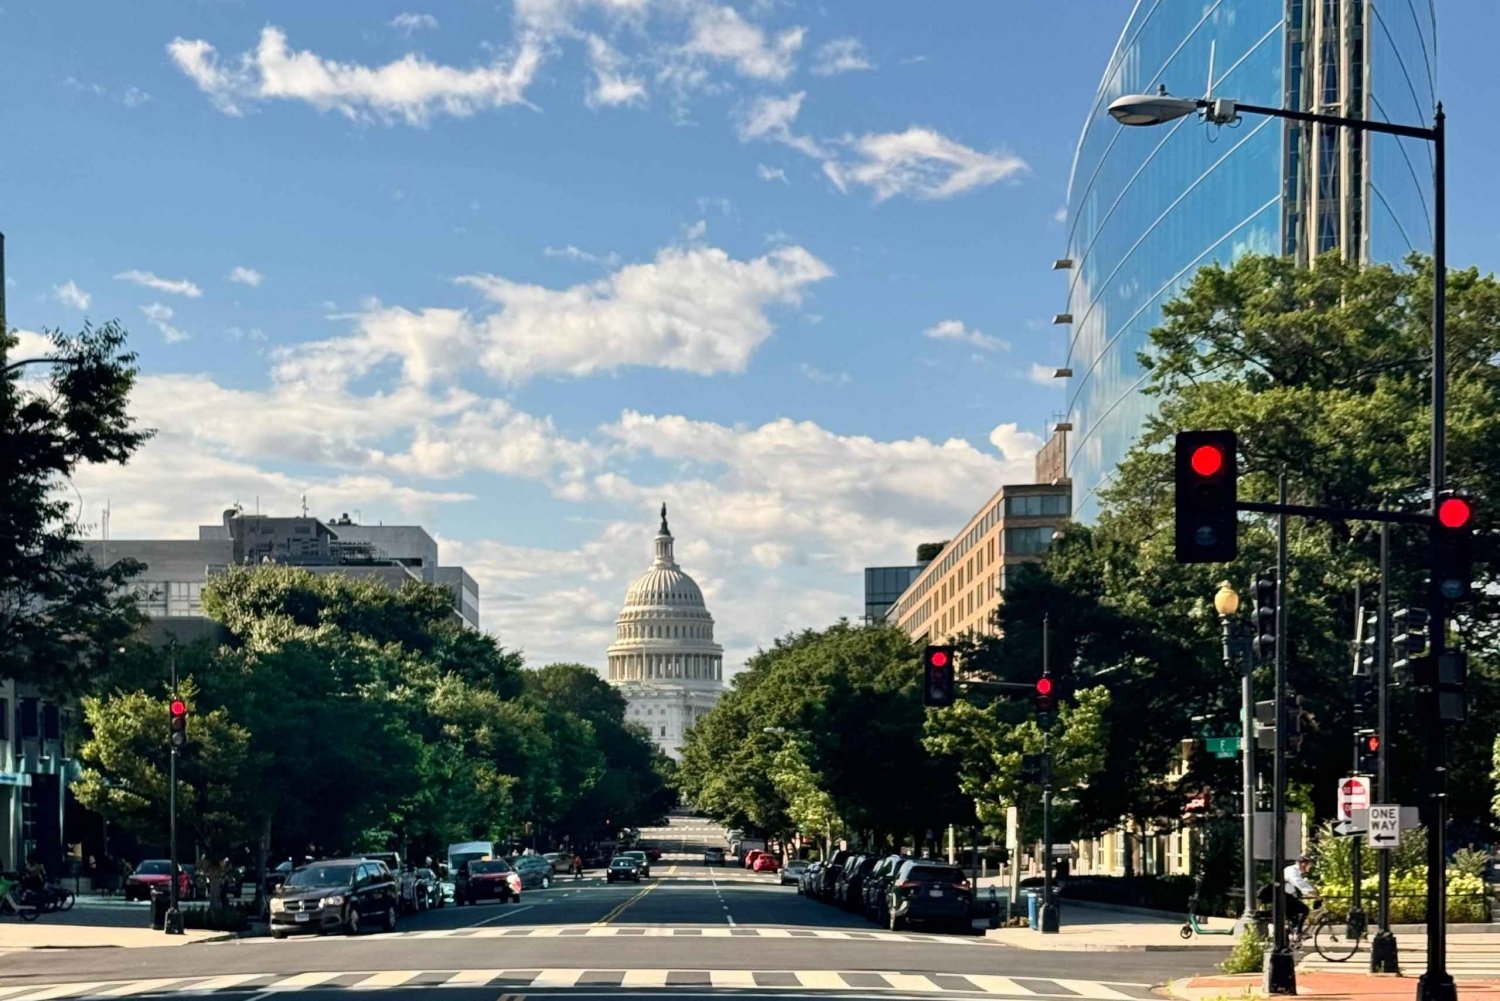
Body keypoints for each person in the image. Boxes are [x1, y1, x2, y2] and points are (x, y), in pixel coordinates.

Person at [1282, 854, 1317, 936]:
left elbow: (1303, 883)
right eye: (1309, 866)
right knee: (1304, 910)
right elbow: (1299, 883)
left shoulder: (1297, 872)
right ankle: (1298, 933)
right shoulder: (1291, 870)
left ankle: (1290, 938)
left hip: (1288, 897)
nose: (1309, 869)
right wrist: (1313, 892)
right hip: (1284, 897)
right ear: (1304, 864)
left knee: (1294, 920)